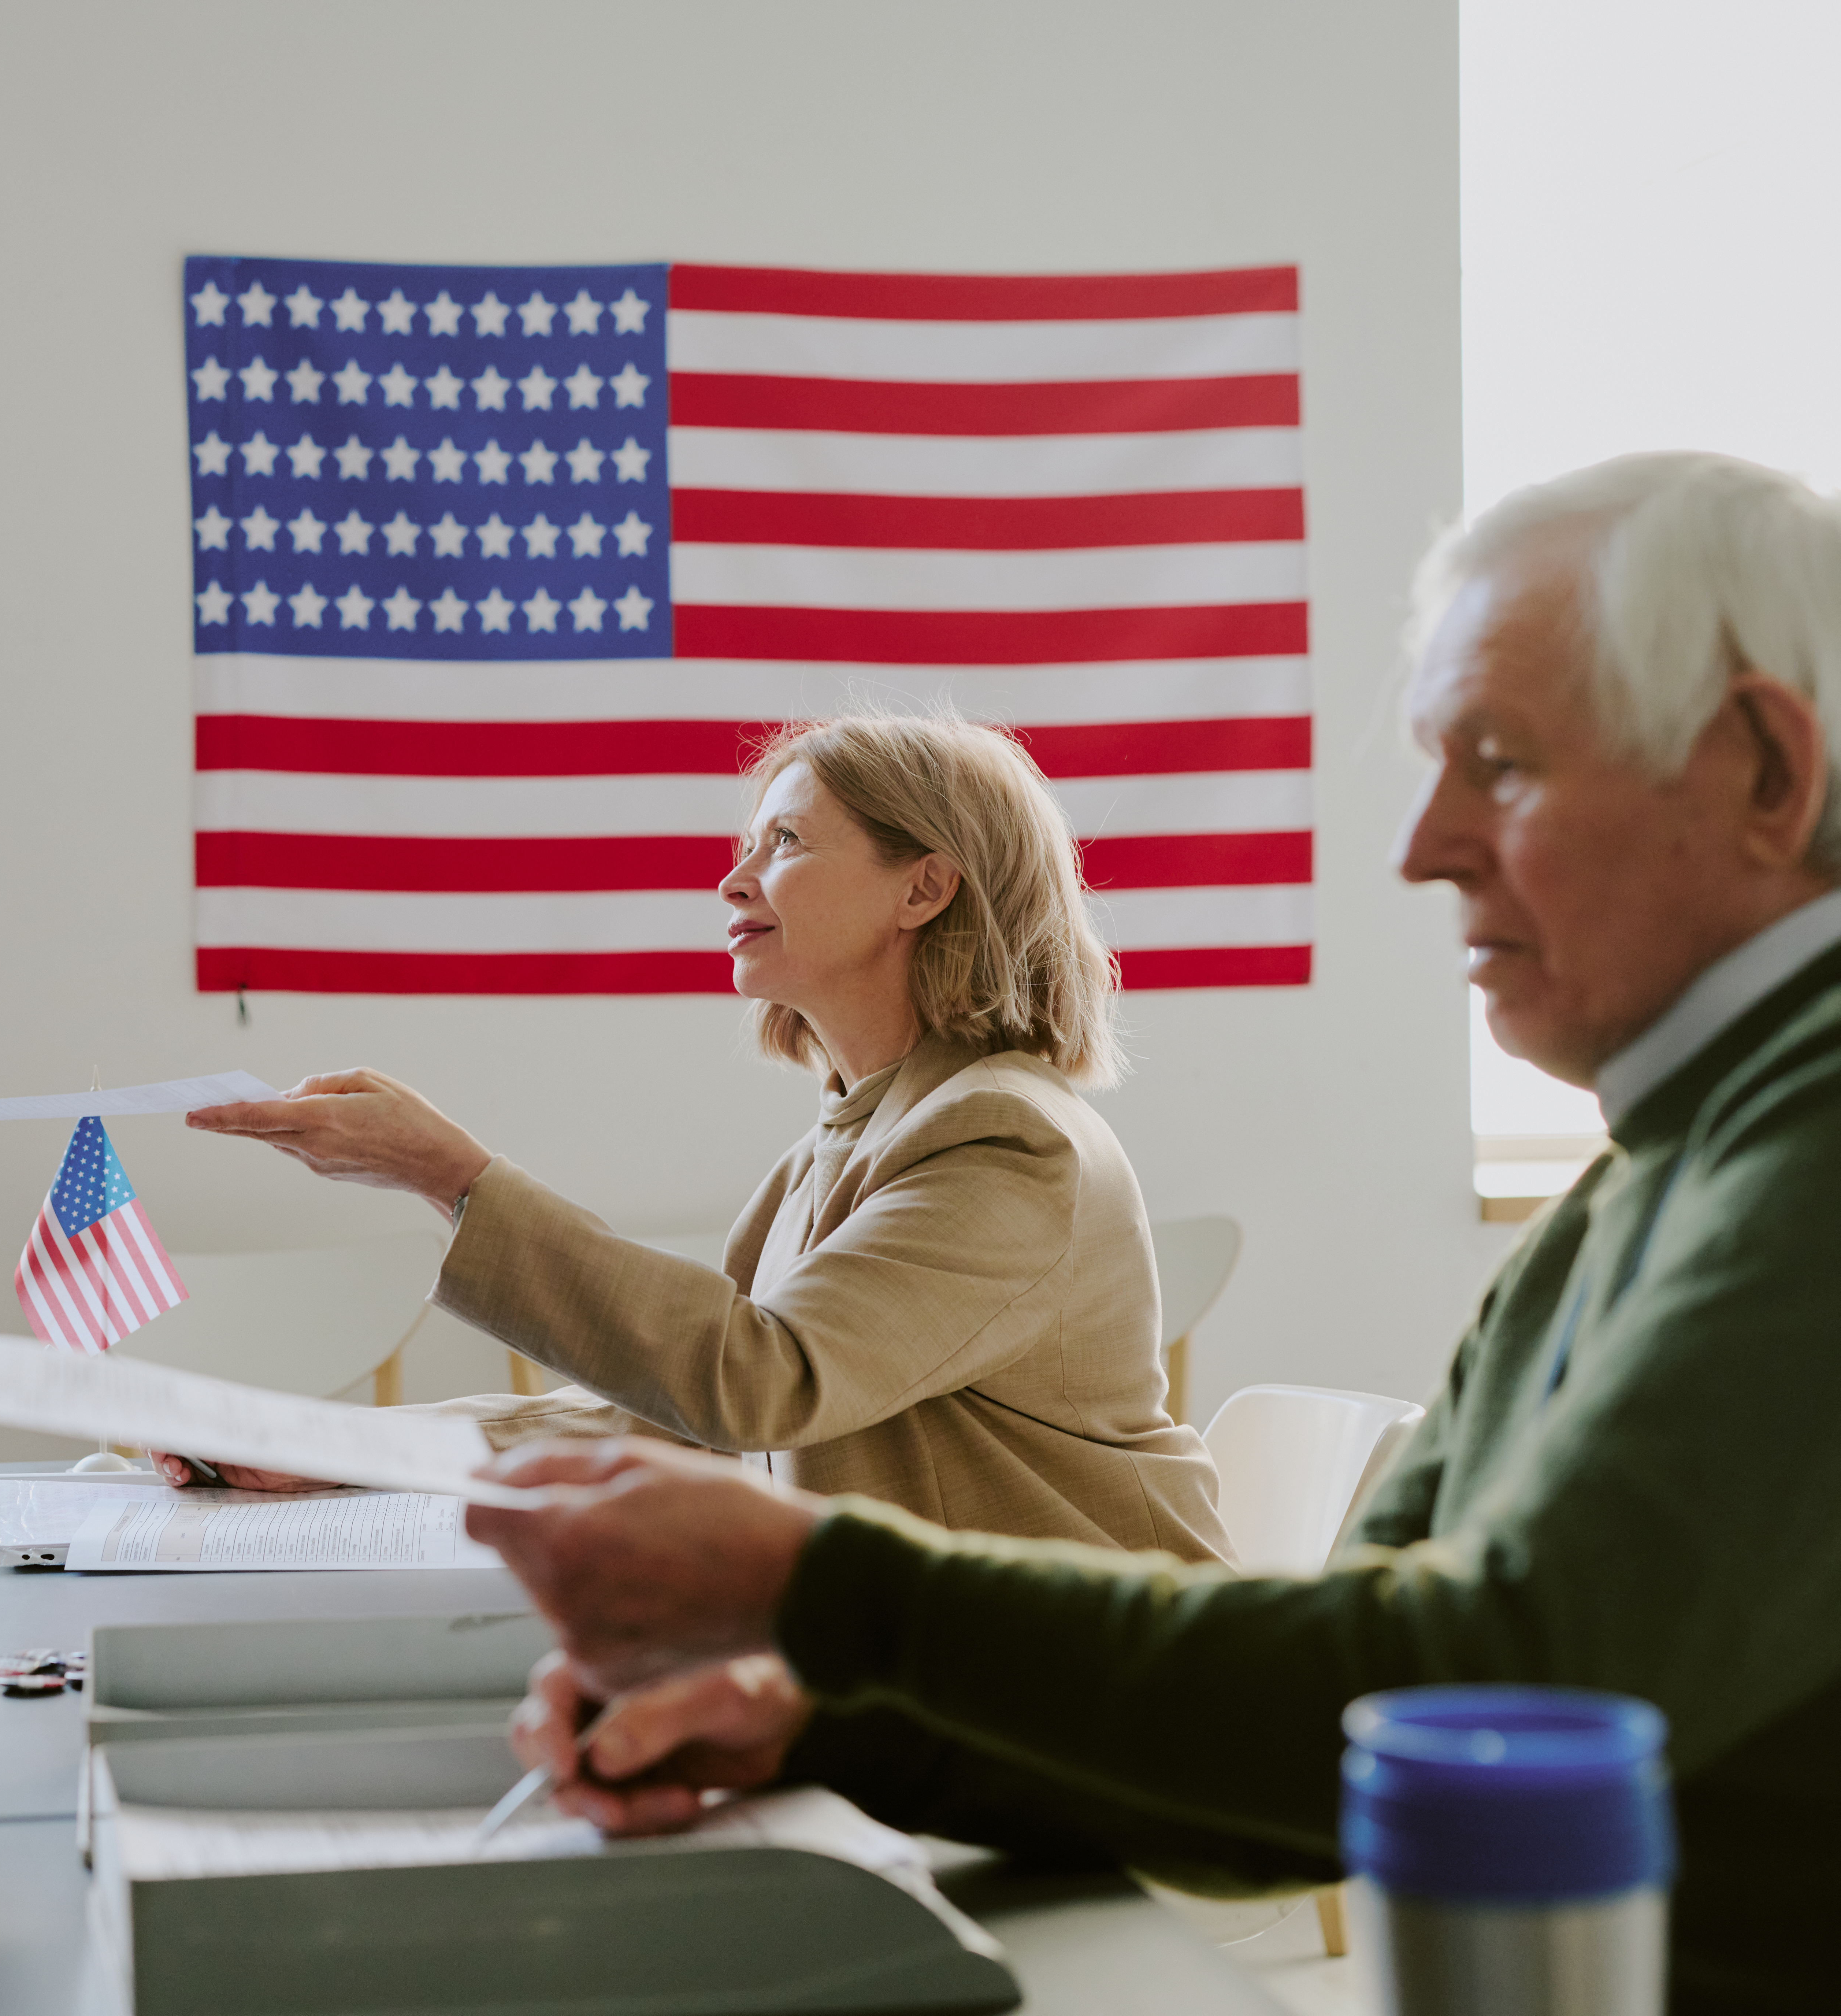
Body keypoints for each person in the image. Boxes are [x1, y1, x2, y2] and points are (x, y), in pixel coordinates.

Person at [468, 452, 1841, 2013]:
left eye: (1502, 761)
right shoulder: (1654, 1169)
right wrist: (829, 1722)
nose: (1423, 843)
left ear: (1761, 770)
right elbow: (1349, 1735)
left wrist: (825, 1595)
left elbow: (1493, 1680)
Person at [174, 713, 1227, 1563]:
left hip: (1081, 1702)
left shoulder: (1004, 1141)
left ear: (925, 886)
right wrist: (339, 1448)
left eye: (786, 844)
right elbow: (679, 1422)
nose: (733, 882)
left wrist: (450, 1177)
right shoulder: (852, 1135)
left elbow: (757, 1382)